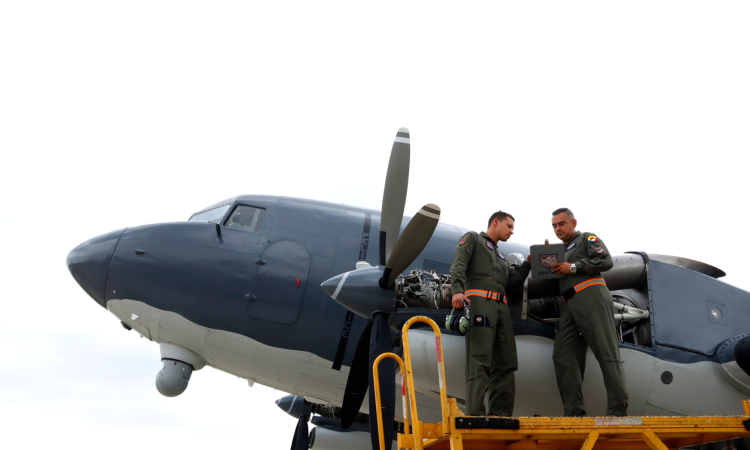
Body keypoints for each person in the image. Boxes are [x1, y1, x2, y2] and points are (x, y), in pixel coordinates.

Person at [450, 211, 531, 416]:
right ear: (495, 222)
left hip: (502, 309)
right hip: (480, 305)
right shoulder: (473, 239)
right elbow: (459, 264)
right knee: (479, 360)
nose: (512, 232)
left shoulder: (502, 257)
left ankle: (500, 414)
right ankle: (475, 414)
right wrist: (457, 291)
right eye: (509, 226)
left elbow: (512, 287)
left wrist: (527, 265)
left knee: (506, 363)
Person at [549, 208, 628, 416]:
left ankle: (617, 410)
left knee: (606, 352)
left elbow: (606, 261)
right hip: (569, 305)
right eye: (554, 226)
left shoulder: (586, 238)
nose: (558, 229)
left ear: (573, 222)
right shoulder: (559, 252)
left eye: (561, 224)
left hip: (591, 296)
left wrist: (572, 268)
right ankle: (574, 413)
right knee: (563, 356)